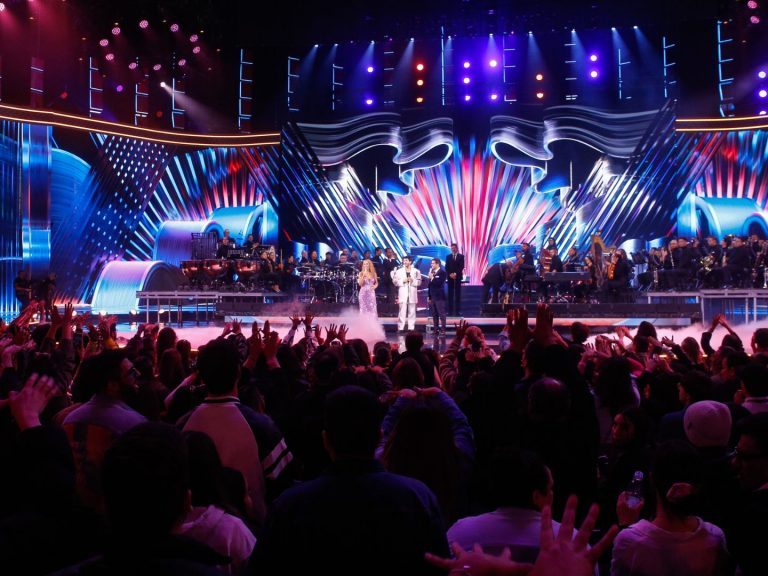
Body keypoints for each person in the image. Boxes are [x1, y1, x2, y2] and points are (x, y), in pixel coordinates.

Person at [249, 386, 449, 575]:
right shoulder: (418, 498)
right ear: (379, 437)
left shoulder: (288, 507)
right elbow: (441, 565)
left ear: (326, 440)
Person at [392, 256, 422, 333]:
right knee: (402, 311)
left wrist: (412, 281)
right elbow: (394, 281)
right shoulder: (399, 271)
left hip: (412, 293)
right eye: (404, 260)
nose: (404, 262)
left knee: (412, 311)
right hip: (403, 293)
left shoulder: (416, 271)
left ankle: (411, 328)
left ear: (410, 262)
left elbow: (419, 282)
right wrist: (403, 281)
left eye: (406, 260)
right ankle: (401, 328)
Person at [427, 257, 447, 335]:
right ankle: (436, 330)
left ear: (437, 264)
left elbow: (439, 283)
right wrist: (429, 296)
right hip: (432, 297)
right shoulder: (431, 272)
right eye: (431, 263)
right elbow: (430, 286)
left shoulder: (442, 272)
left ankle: (443, 329)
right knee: (434, 314)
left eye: (433, 263)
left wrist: (432, 277)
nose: (431, 265)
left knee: (441, 314)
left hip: (439, 296)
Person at [445, 243, 464, 316]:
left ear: (457, 248)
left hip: (458, 277)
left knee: (457, 295)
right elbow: (446, 267)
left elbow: (461, 267)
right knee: (450, 295)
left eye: (454, 248)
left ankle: (458, 311)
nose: (453, 249)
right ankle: (449, 311)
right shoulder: (448, 257)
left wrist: (455, 274)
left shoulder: (461, 256)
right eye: (452, 248)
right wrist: (450, 274)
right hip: (450, 278)